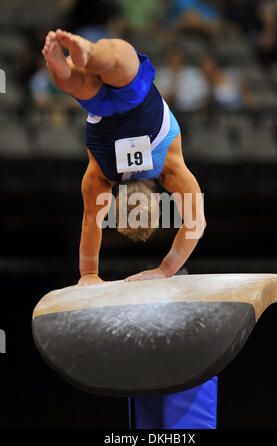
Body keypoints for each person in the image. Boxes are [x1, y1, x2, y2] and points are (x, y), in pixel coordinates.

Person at [42, 29, 206, 285]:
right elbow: (90, 222)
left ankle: (84, 57)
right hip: (116, 105)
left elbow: (197, 223)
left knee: (115, 63)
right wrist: (163, 270)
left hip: (128, 100)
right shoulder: (112, 177)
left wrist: (89, 274)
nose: (136, 209)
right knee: (89, 80)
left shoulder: (163, 169)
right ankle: (76, 63)